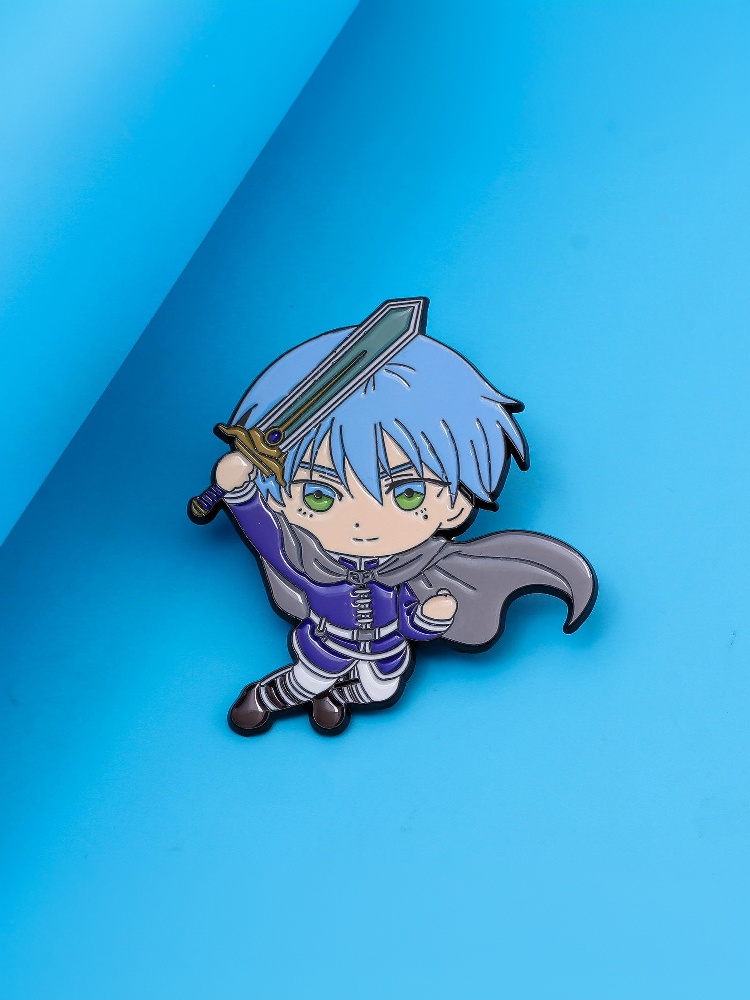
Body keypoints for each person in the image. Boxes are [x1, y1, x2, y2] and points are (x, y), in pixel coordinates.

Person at [203, 311, 596, 735]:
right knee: (306, 681)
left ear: (455, 506)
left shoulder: (415, 568)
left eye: (408, 494)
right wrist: (241, 495)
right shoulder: (307, 563)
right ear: (282, 500)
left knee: (380, 690)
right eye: (320, 495)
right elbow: (267, 537)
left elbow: (408, 622)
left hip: (388, 654)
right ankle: (261, 699)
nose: (362, 521)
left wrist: (430, 618)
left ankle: (339, 699)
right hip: (325, 646)